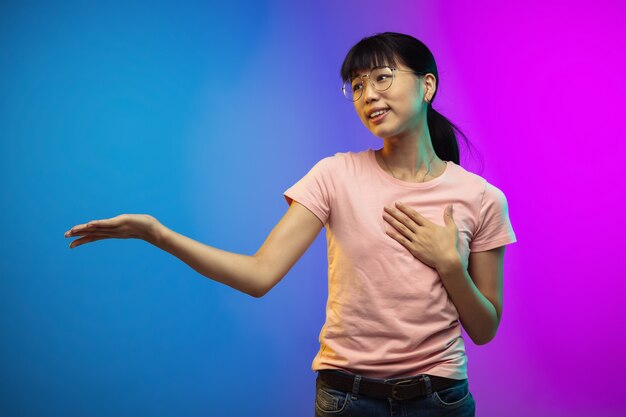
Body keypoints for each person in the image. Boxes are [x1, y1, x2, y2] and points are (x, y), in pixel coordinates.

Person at [65, 32, 517, 417]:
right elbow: (259, 275)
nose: (369, 95)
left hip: (438, 399)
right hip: (347, 396)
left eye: (382, 77)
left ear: (427, 86)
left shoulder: (479, 198)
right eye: (356, 86)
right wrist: (157, 235)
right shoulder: (334, 175)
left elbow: (484, 329)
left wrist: (449, 266)